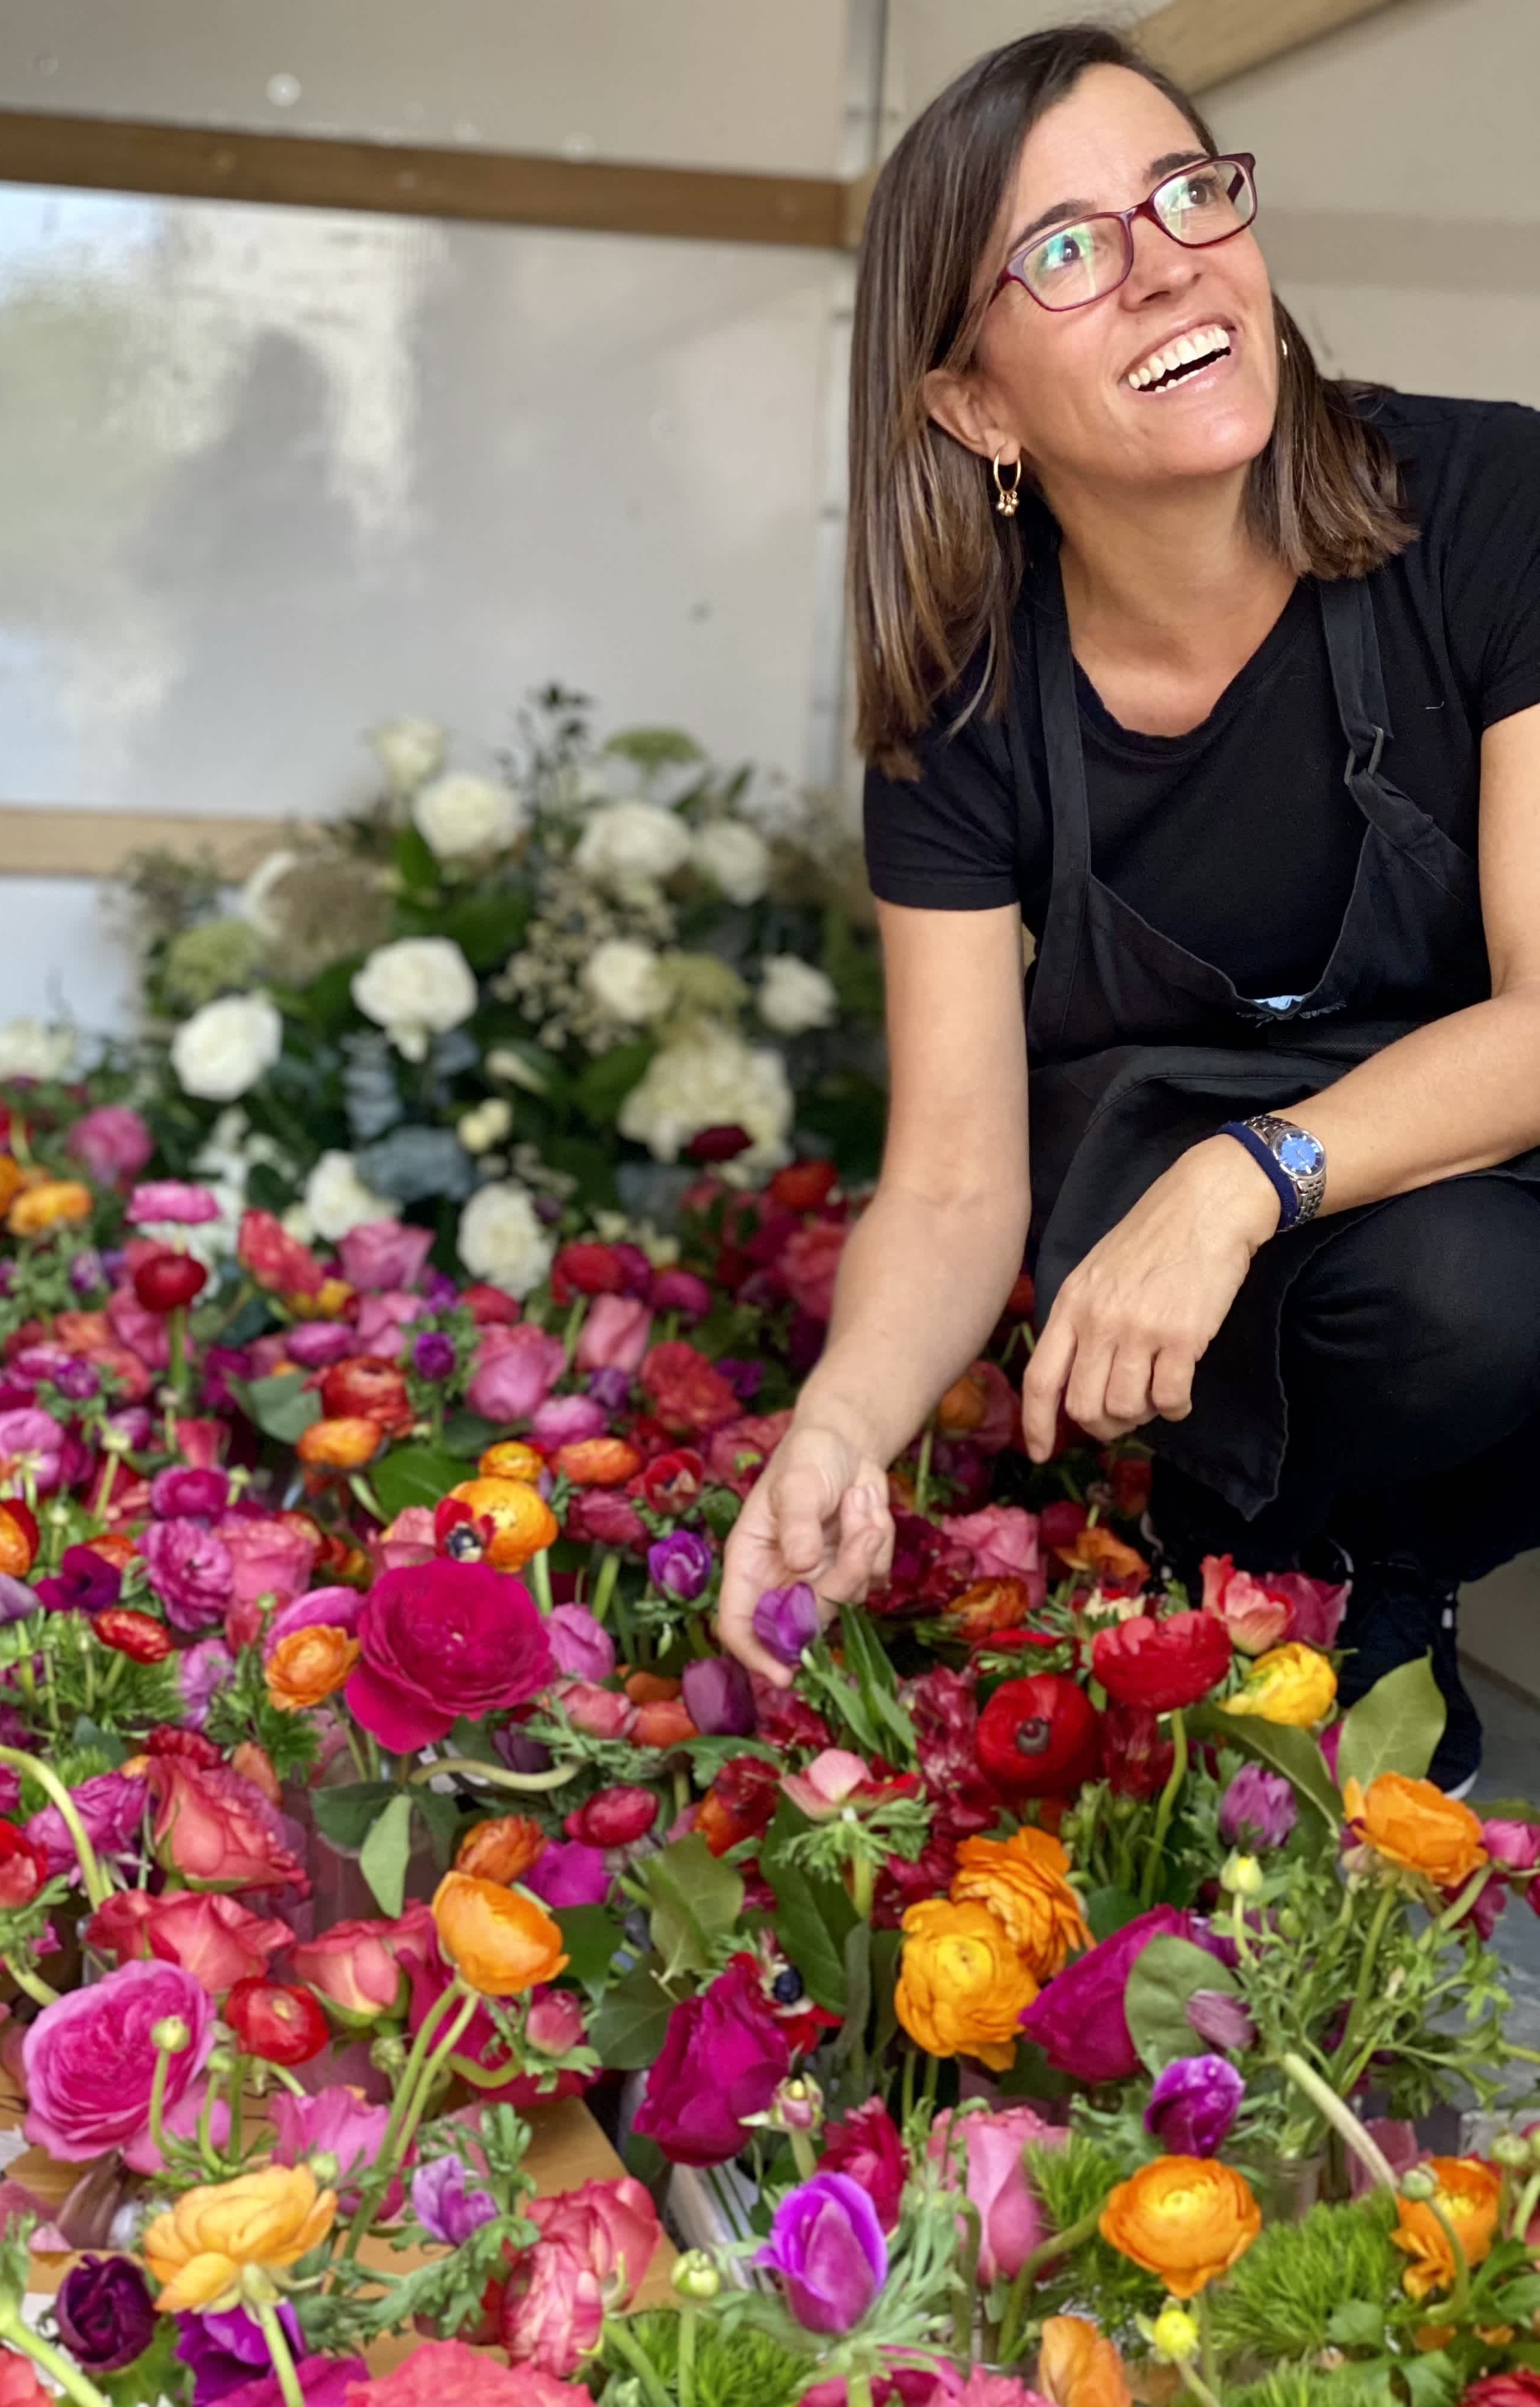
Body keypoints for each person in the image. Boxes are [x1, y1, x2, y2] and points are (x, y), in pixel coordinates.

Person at [715, 21, 1540, 1793]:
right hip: (1197, 1293)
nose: (1167, 263)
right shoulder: (965, 689)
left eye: (1187, 193)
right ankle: (1239, 1563)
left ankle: (1372, 1575)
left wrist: (1243, 1180)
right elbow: (954, 1175)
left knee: (1477, 1290)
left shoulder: (1492, 506)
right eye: (1072, 249)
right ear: (976, 406)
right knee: (1423, 1292)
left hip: (1469, 1174)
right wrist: (836, 1431)